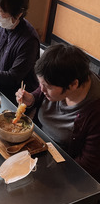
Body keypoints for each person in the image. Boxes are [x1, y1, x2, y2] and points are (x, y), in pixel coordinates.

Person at [15, 43, 100, 182]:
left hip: (64, 171)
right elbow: (40, 94)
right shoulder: (59, 79)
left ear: (73, 85)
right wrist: (31, 99)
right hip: (37, 147)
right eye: (40, 83)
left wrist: (45, 175)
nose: (41, 89)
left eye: (47, 86)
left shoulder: (95, 112)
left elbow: (87, 165)